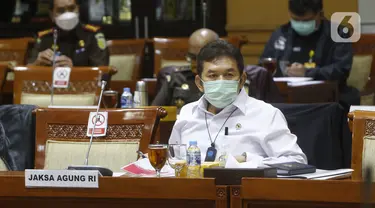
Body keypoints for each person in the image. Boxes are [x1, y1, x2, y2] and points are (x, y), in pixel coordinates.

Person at [169, 40, 307, 166]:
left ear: (241, 80)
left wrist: (247, 159)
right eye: (213, 76)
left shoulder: (266, 114)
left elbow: (297, 161)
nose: (221, 81)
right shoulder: (188, 113)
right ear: (199, 83)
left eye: (229, 75)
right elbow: (173, 161)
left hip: (247, 191)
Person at [260, 0, 358, 109]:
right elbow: (263, 65)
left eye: (307, 21)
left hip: (326, 99)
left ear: (320, 14)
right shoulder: (281, 33)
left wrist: (307, 72)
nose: (301, 24)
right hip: (284, 98)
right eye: (296, 20)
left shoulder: (338, 33)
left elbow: (341, 69)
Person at [152, 28, 282, 109]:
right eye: (192, 57)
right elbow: (154, 114)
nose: (197, 63)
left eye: (205, 57)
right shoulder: (177, 78)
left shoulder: (247, 79)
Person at [28, 0, 109, 67]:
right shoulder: (44, 38)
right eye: (61, 10)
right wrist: (37, 65)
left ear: (78, 9)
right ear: (52, 15)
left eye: (71, 8)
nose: (68, 15)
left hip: (80, 85)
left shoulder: (93, 36)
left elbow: (102, 74)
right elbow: (26, 74)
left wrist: (74, 71)